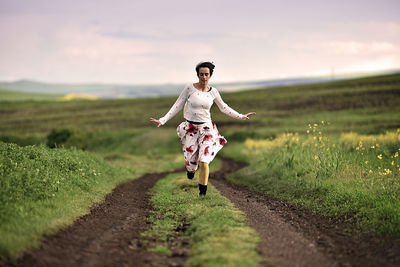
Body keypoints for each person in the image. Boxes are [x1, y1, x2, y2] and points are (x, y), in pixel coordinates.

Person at [150, 61, 256, 196]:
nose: (204, 77)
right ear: (198, 75)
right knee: (191, 163)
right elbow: (177, 105)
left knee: (204, 161)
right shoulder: (189, 88)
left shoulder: (214, 92)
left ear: (210, 75)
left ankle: (202, 193)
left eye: (206, 74)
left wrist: (241, 116)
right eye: (201, 74)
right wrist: (163, 120)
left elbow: (224, 107)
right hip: (190, 129)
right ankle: (190, 170)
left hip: (207, 129)